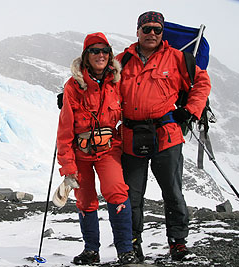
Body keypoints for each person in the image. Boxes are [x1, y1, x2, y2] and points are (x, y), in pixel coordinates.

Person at [116, 11, 211, 262]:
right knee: (130, 195)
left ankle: (177, 243)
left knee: (172, 191)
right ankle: (133, 244)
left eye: (157, 29)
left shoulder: (178, 59)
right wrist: (71, 92)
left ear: (163, 32)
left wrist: (190, 110)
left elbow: (202, 83)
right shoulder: (122, 61)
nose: (152, 34)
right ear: (137, 31)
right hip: (130, 136)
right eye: (147, 29)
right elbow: (98, 81)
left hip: (166, 135)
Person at [56, 32, 138, 265]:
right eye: (94, 51)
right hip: (80, 153)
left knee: (117, 191)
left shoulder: (117, 82)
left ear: (110, 55)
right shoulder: (73, 87)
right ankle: (91, 250)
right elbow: (64, 131)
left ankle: (125, 250)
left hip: (108, 150)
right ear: (85, 56)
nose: (100, 55)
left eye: (104, 51)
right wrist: (67, 166)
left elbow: (130, 113)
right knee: (85, 199)